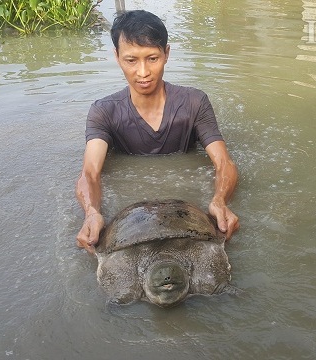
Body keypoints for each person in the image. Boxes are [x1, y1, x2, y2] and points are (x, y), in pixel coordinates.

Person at [76, 10, 239, 253]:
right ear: (117, 57)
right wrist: (91, 213)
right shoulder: (104, 112)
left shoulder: (195, 103)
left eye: (152, 58)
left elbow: (224, 163)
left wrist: (219, 201)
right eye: (131, 60)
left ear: (167, 54)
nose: (143, 72)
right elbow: (90, 172)